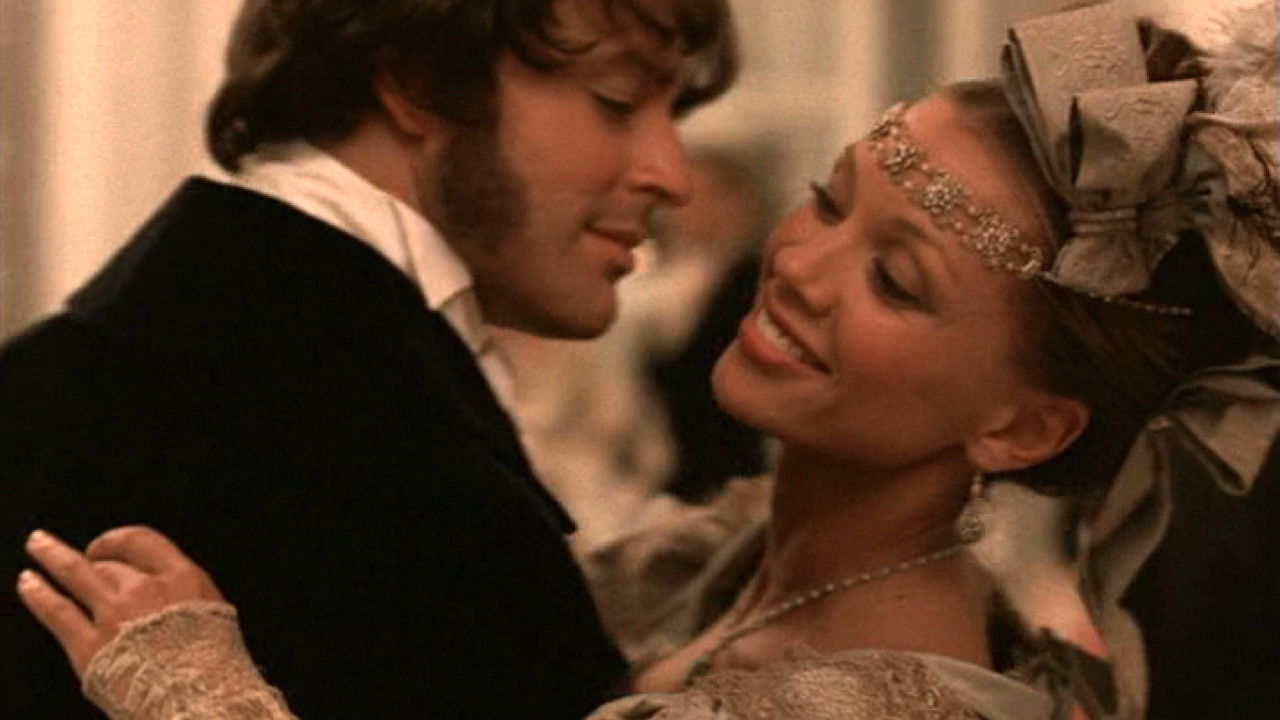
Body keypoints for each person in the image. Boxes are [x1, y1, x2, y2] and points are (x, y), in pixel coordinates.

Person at [17, 2, 1280, 719]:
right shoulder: (703, 565)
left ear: (1022, 426)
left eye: (895, 280)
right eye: (827, 199)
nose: (799, 265)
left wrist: (203, 702)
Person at [0, 1, 737, 719]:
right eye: (617, 101)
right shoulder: (352, 435)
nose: (672, 174)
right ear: (418, 84)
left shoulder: (170, 357)